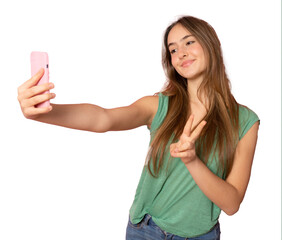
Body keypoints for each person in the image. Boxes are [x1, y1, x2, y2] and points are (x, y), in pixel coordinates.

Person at [17, 16, 259, 240]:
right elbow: (103, 119)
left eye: (189, 42)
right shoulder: (159, 106)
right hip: (146, 231)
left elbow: (231, 204)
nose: (181, 53)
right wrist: (45, 112)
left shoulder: (245, 121)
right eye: (173, 49)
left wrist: (192, 160)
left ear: (211, 44)